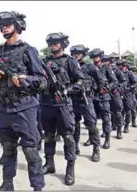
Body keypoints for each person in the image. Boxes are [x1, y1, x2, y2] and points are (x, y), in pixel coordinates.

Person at [0, 11, 46, 191]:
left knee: (30, 150)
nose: (3, 28)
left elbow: (42, 81)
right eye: (1, 25)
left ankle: (37, 187)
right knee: (7, 148)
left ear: (17, 26)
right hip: (2, 107)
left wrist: (23, 78)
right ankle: (7, 184)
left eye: (7, 24)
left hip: (24, 108)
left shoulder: (29, 51)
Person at [41, 33, 84, 186]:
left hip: (64, 105)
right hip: (47, 104)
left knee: (68, 137)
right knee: (49, 136)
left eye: (56, 42)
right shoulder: (44, 61)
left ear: (62, 44)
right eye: (51, 42)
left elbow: (80, 82)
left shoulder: (70, 61)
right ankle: (49, 163)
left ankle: (70, 169)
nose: (53, 45)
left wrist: (67, 91)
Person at [69, 44, 102, 161]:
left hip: (86, 100)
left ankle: (96, 148)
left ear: (83, 55)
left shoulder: (89, 67)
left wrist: (95, 94)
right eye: (73, 53)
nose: (75, 55)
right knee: (73, 125)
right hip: (72, 100)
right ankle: (75, 146)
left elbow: (100, 81)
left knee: (91, 125)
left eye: (78, 53)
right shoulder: (69, 65)